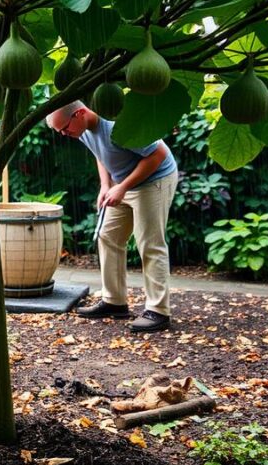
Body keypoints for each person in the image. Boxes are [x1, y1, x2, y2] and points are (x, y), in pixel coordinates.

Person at [46, 101, 179, 332]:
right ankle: (114, 302)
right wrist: (105, 185)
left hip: (154, 180)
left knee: (150, 243)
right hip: (122, 183)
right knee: (108, 236)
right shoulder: (83, 129)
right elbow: (101, 153)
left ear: (79, 114)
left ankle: (158, 311)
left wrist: (123, 187)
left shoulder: (117, 125)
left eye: (65, 129)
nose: (65, 135)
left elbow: (158, 154)